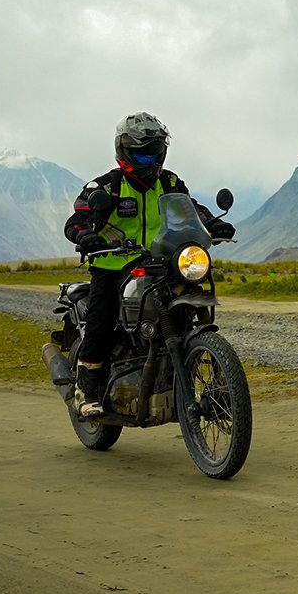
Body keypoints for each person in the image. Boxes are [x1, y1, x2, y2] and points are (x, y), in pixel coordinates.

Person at [63, 112, 235, 417]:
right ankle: (85, 390)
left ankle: (214, 378)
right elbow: (76, 220)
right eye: (142, 154)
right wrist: (87, 236)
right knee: (101, 320)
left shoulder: (168, 182)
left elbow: (189, 208)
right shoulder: (106, 187)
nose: (150, 161)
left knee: (189, 298)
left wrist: (211, 223)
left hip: (161, 262)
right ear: (124, 152)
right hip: (112, 266)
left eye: (155, 153)